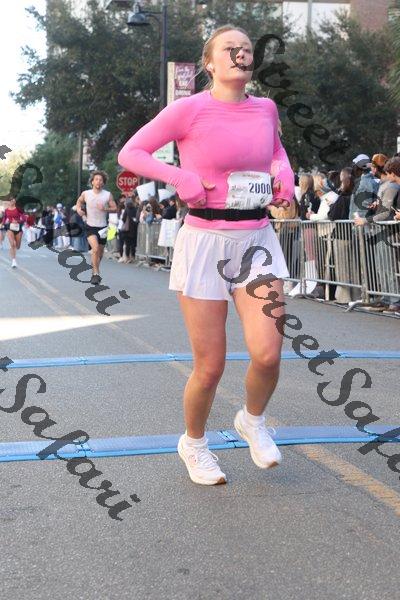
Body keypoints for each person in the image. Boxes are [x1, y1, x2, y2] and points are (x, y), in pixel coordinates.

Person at [118, 24, 294, 486]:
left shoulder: (266, 108)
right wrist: (180, 178)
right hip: (203, 242)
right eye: (230, 49)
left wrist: (284, 175)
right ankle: (194, 444)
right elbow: (131, 153)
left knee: (268, 354)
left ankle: (252, 420)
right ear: (209, 64)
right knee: (210, 366)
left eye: (246, 49)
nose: (240, 54)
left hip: (256, 240)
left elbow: (276, 152)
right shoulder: (188, 109)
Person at [76, 170, 117, 285]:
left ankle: (95, 268)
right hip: (90, 226)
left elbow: (115, 208)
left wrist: (105, 209)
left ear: (103, 182)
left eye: (101, 180)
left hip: (103, 227)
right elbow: (79, 202)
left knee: (100, 253)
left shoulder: (107, 195)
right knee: (95, 249)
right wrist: (79, 210)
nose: (98, 181)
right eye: (96, 179)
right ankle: (95, 273)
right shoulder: (86, 194)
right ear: (92, 182)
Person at [0, 197, 26, 268]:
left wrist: (17, 221)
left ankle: (15, 251)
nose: (12, 202)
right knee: (12, 244)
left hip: (18, 228)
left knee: (17, 246)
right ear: (9, 202)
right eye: (11, 201)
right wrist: (2, 223)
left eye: (13, 201)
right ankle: (14, 261)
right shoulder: (6, 210)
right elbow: (5, 218)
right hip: (10, 228)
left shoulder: (18, 209)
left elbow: (24, 218)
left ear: (15, 202)